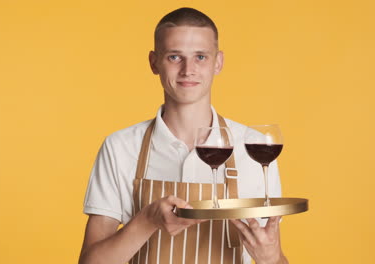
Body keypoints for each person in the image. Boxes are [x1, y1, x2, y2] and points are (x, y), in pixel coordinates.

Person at [79, 7, 289, 264]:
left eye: (200, 57)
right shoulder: (120, 147)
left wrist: (270, 258)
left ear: (218, 62)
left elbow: (276, 259)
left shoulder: (253, 149)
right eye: (175, 57)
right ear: (154, 62)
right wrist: (147, 220)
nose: (188, 70)